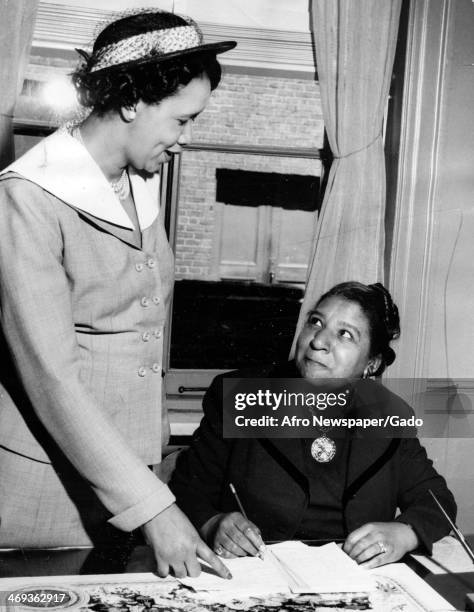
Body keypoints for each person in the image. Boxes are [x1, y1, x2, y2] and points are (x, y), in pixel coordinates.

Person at [0, 9, 236, 579]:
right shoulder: (27, 199)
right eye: (181, 120)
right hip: (50, 488)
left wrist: (154, 491)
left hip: (136, 477)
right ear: (132, 102)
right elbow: (52, 379)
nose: (184, 140)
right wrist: (155, 509)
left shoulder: (141, 184)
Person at [169, 282, 456, 568]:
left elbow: (437, 502)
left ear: (371, 363)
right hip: (255, 573)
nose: (318, 341)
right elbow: (187, 488)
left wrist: (405, 534)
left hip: (354, 581)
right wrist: (213, 523)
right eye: (315, 322)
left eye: (345, 334)